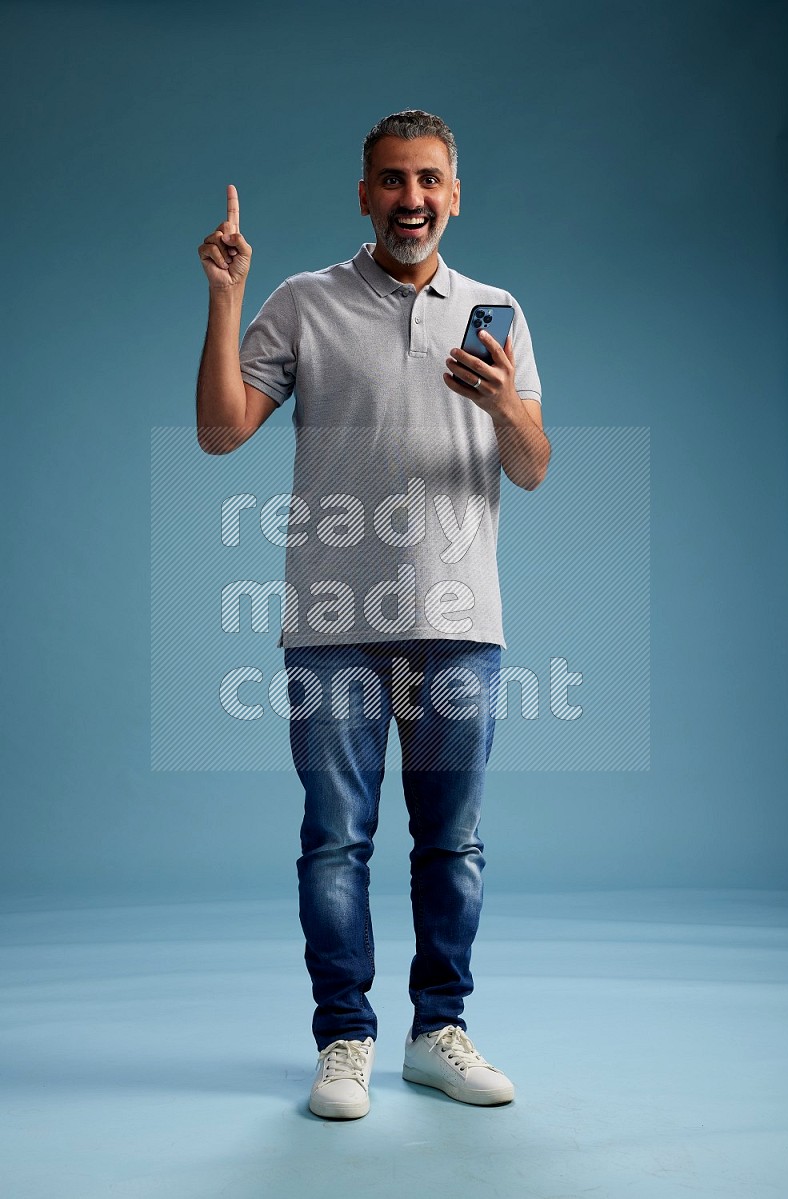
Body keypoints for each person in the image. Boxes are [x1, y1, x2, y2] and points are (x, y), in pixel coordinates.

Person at [196, 109, 550, 1120]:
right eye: (392, 180)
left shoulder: (495, 308)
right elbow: (222, 433)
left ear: (453, 192)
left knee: (452, 843)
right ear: (363, 194)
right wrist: (224, 299)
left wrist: (506, 408)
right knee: (333, 841)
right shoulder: (303, 301)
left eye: (429, 179)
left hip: (458, 621)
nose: (411, 198)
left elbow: (529, 468)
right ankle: (343, 1037)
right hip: (333, 623)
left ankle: (438, 1029)